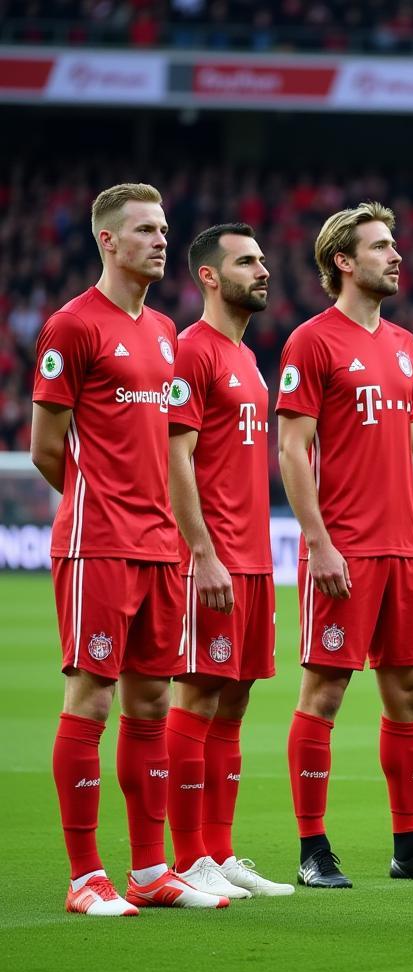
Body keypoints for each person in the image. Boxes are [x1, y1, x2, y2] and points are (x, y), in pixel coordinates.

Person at [31, 182, 225, 915]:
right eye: (144, 229)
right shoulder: (73, 326)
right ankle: (86, 877)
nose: (160, 239)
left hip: (161, 543)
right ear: (107, 240)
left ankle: (149, 869)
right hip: (99, 544)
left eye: (164, 228)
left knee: (150, 702)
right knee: (92, 698)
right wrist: (98, 502)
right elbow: (48, 448)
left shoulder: (167, 330)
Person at [276, 201, 413, 884]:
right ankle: (312, 851)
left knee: (411, 692)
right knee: (325, 691)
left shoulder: (402, 343)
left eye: (395, 245)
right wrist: (319, 541)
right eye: (381, 246)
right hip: (344, 547)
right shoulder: (311, 341)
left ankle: (410, 845)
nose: (396, 256)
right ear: (343, 260)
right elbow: (293, 449)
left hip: (402, 546)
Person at [165, 223, 294, 898]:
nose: (263, 269)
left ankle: (218, 852)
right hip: (210, 558)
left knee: (235, 701)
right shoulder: (192, 352)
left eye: (263, 259)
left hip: (252, 557)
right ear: (210, 277)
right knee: (199, 695)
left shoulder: (247, 358)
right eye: (247, 261)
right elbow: (174, 458)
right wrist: (202, 553)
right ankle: (187, 859)